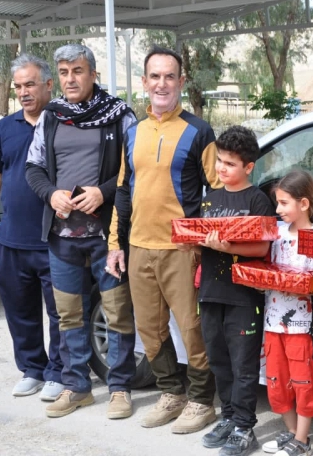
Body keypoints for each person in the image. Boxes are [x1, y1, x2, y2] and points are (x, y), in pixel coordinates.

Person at [105, 46, 221, 433]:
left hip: (182, 249)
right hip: (139, 247)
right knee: (150, 330)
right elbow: (124, 192)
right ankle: (172, 393)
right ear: (144, 82)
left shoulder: (198, 131)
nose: (162, 83)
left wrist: (206, 241)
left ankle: (202, 400)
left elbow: (217, 190)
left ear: (181, 82)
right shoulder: (133, 132)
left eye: (169, 76)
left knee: (191, 327)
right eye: (155, 76)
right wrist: (115, 244)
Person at [25, 44, 138, 419]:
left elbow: (134, 171)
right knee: (69, 315)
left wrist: (103, 193)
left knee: (117, 313)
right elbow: (33, 168)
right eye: (63, 72)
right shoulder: (51, 116)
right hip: (62, 237)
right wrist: (51, 194)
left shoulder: (119, 115)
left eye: (77, 70)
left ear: (93, 74)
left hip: (109, 238)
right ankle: (76, 387)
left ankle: (120, 388)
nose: (70, 79)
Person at [0, 54, 65, 401]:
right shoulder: (5, 128)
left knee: (61, 313)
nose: (24, 92)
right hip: (12, 238)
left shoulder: (64, 123)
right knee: (19, 310)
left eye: (30, 84)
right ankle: (32, 369)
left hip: (55, 238)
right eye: (19, 87)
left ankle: (59, 371)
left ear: (48, 85)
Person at [194, 125, 275, 456]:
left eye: (230, 163)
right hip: (210, 292)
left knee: (243, 365)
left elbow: (263, 248)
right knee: (219, 360)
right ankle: (227, 417)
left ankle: (244, 426)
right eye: (219, 161)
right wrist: (190, 242)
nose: (222, 168)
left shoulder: (258, 200)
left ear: (249, 166)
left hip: (244, 296)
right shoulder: (209, 199)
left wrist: (227, 247)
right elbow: (199, 240)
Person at [258, 170, 313, 456]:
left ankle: (302, 439)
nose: (278, 209)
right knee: (276, 380)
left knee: (303, 381)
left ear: (304, 203)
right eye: (277, 202)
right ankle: (290, 432)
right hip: (272, 322)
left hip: (301, 326)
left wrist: (290, 281)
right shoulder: (276, 234)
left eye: (284, 203)